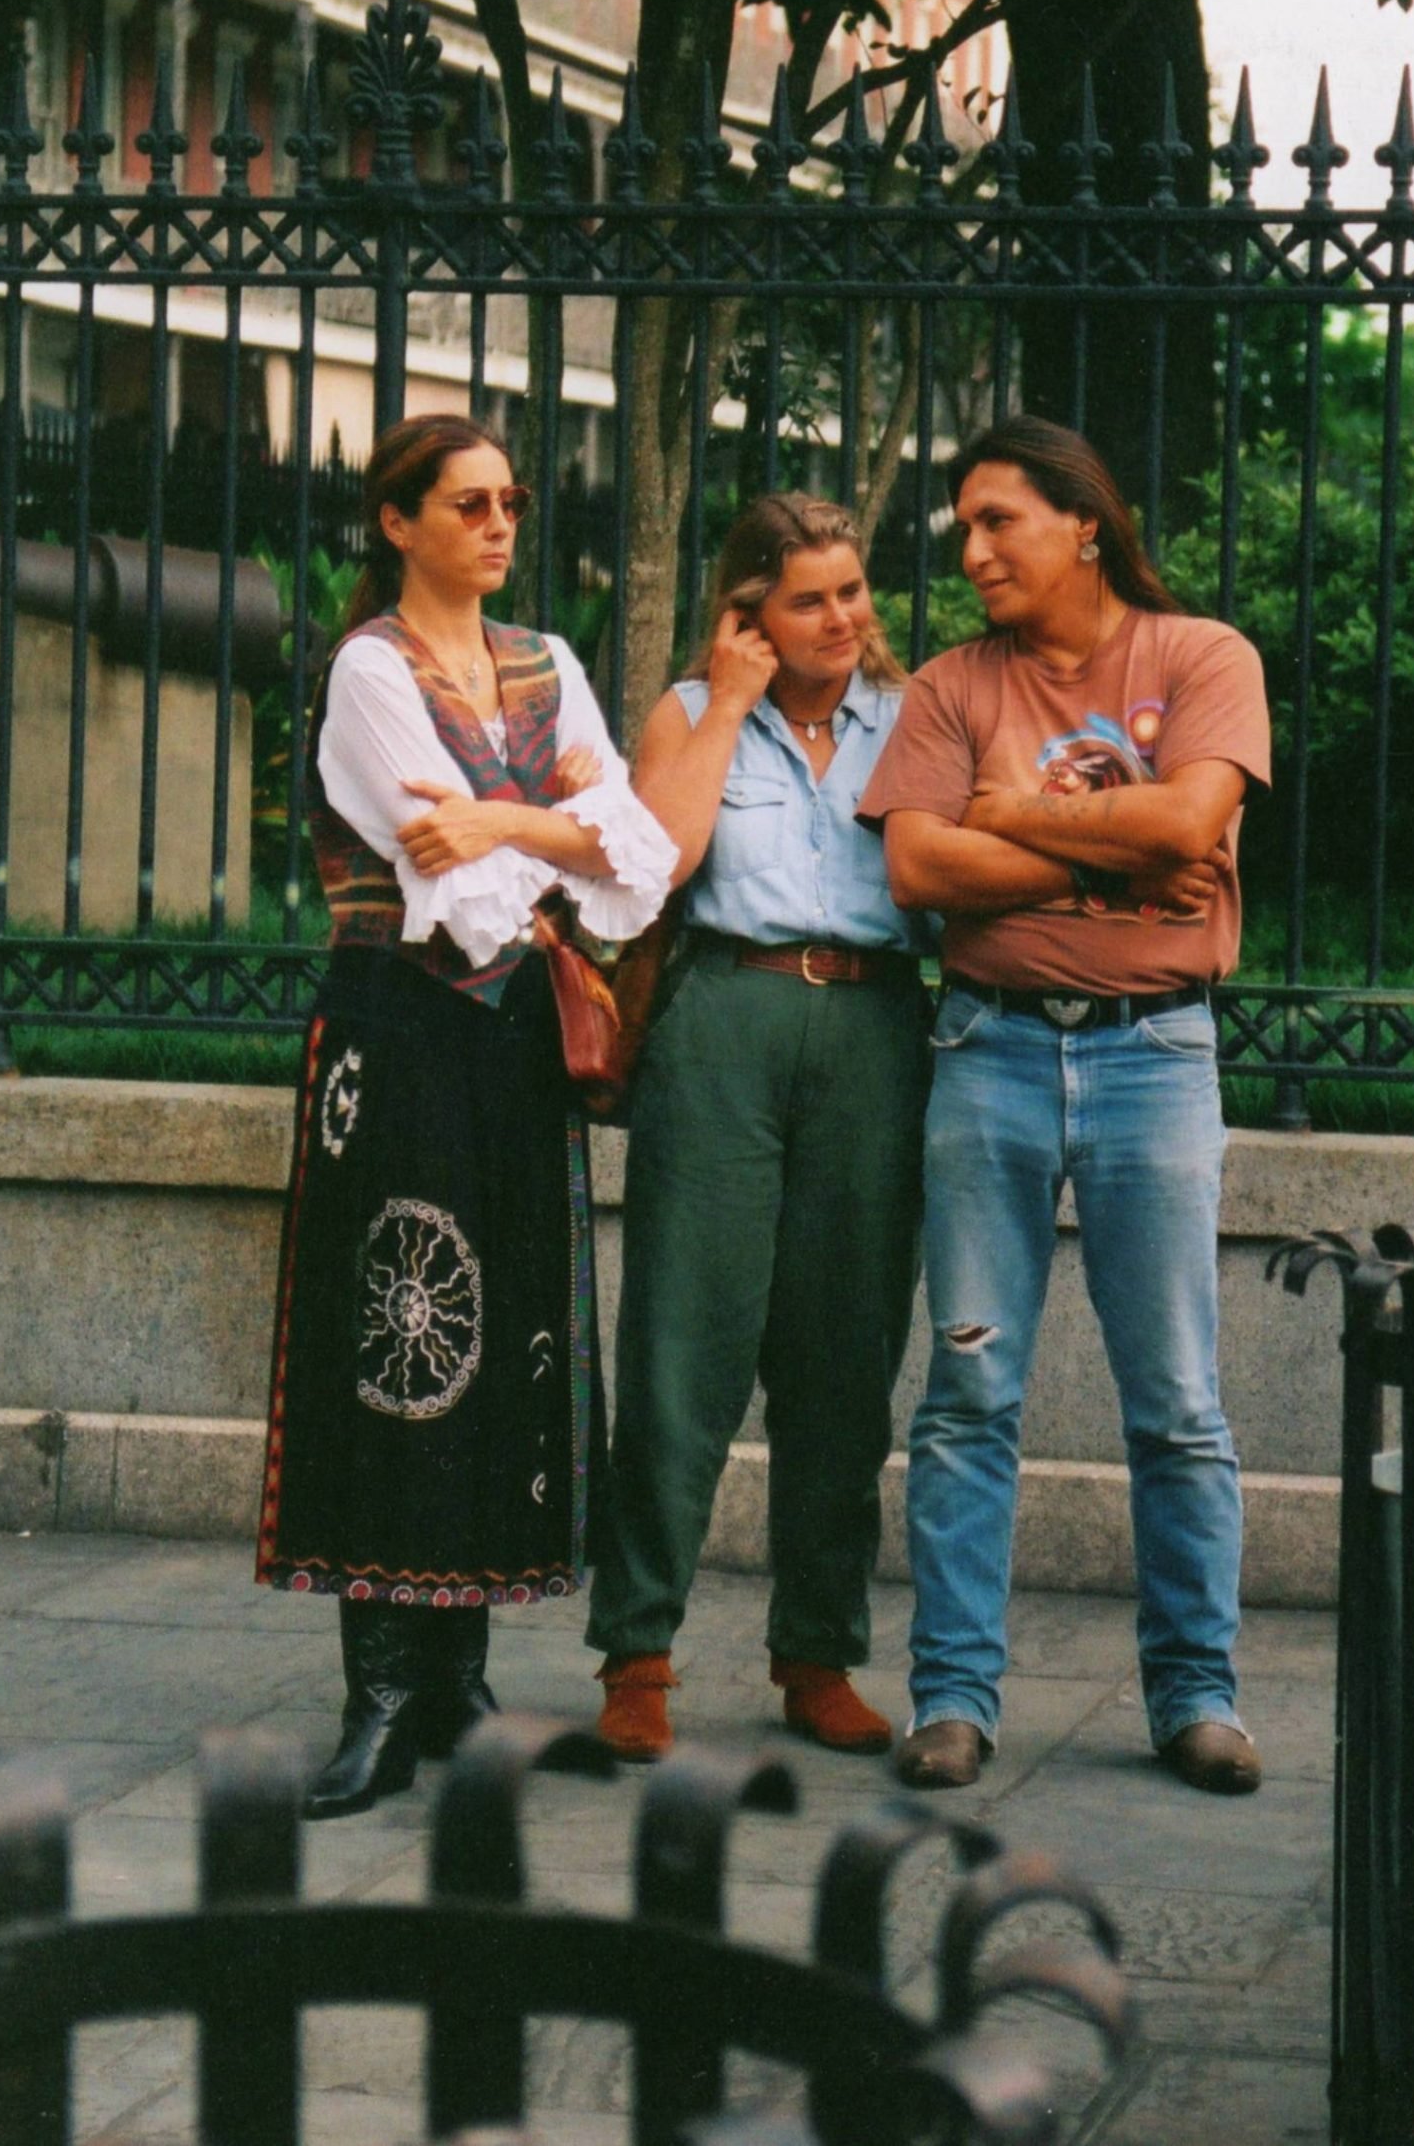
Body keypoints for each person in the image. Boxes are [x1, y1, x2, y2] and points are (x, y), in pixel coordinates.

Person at [256, 412, 676, 1819]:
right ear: (398, 522)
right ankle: (379, 1684)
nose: (500, 524)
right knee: (398, 1327)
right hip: (398, 1032)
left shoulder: (546, 665)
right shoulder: (368, 672)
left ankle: (460, 1678)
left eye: (510, 500)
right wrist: (548, 830)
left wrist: (506, 824)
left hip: (509, 1052)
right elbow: (452, 894)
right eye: (468, 503)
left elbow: (639, 863)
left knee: (510, 1339)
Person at [857, 414, 1271, 1795]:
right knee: (968, 1389)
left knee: (1176, 1403)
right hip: (988, 1053)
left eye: (997, 522)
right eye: (960, 526)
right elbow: (918, 867)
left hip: (1155, 1057)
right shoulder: (946, 686)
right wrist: (1100, 871)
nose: (968, 550)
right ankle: (952, 1699)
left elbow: (1184, 827)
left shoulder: (1200, 657)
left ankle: (1194, 1695)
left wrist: (1010, 815)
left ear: (1081, 521)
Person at [584, 494, 933, 1761]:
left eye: (852, 591)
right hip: (724, 1016)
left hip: (876, 1031)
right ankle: (637, 1652)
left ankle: (818, 1653)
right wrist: (727, 702)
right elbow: (653, 868)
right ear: (748, 612)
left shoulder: (916, 717)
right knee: (683, 1341)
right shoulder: (690, 715)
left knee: (846, 1356)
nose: (840, 618)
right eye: (807, 599)